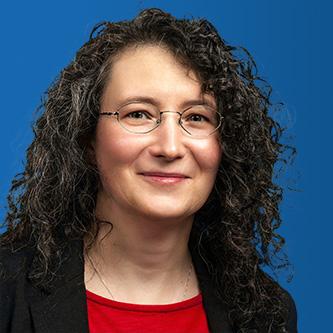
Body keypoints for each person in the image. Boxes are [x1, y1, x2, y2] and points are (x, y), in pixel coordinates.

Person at [0, 8, 297, 333]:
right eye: (138, 114)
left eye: (197, 117)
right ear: (87, 139)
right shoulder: (7, 292)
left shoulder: (265, 313)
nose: (169, 147)